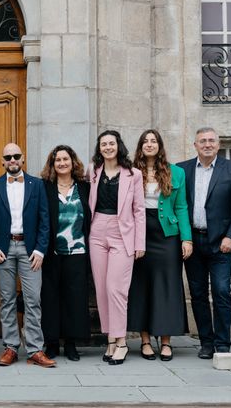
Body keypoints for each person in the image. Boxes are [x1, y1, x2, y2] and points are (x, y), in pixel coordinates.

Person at [177, 127, 231, 358]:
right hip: (193, 243)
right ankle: (206, 342)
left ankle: (222, 342)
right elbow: (177, 205)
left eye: (211, 141)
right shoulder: (182, 169)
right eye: (202, 141)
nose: (207, 144)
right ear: (195, 145)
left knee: (221, 291)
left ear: (218, 145)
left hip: (221, 243)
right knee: (198, 294)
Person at [0, 143, 55, 368]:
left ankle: (34, 349)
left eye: (16, 156)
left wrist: (40, 249)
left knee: (33, 300)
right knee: (7, 300)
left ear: (22, 159)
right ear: (2, 161)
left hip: (30, 250)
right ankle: (11, 347)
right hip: (3, 250)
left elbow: (45, 221)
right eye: (8, 157)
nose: (12, 160)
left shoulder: (37, 185)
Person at [127, 130, 193, 361]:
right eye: (145, 141)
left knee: (167, 287)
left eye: (153, 141)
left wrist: (186, 238)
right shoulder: (131, 172)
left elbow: (182, 207)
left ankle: (165, 341)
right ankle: (145, 340)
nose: (149, 144)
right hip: (139, 233)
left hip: (167, 234)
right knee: (141, 286)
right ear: (140, 146)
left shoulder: (177, 172)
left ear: (160, 145)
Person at [88, 130, 145, 366]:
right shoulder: (92, 171)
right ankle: (110, 338)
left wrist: (139, 242)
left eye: (111, 143)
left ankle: (121, 341)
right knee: (101, 289)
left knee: (116, 288)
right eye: (104, 144)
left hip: (123, 234)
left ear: (118, 146)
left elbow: (139, 210)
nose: (108, 147)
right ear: (99, 148)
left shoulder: (134, 174)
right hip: (96, 231)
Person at [40, 145, 91, 361]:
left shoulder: (85, 187)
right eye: (57, 160)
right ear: (52, 165)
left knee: (75, 298)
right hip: (52, 251)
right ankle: (51, 343)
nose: (62, 163)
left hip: (78, 250)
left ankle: (71, 343)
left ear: (73, 162)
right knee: (50, 298)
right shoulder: (45, 187)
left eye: (65, 159)